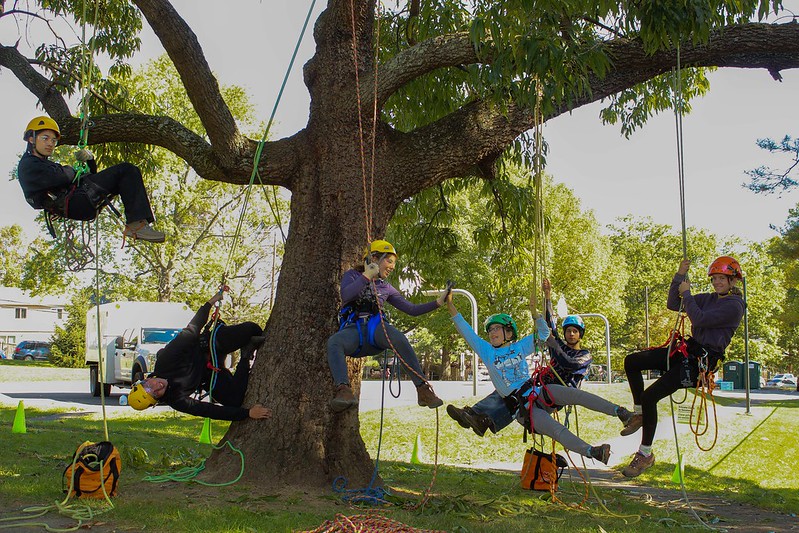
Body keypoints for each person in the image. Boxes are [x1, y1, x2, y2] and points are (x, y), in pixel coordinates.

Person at [445, 280, 633, 465]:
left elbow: (544, 333)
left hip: (538, 390)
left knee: (575, 394)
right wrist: (450, 305)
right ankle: (594, 452)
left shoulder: (520, 347)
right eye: (490, 330)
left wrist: (535, 314)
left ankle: (620, 412)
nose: (492, 332)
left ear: (509, 333)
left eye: (496, 328)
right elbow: (465, 330)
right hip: (522, 408)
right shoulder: (487, 352)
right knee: (556, 430)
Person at [621, 256, 745, 477]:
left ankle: (645, 454)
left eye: (721, 279)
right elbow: (673, 304)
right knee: (632, 361)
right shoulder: (709, 298)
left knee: (651, 396)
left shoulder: (734, 306)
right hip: (685, 351)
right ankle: (639, 414)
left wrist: (687, 293)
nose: (717, 283)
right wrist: (679, 276)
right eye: (714, 278)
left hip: (699, 363)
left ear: (733, 280)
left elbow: (700, 320)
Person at [327, 240, 446, 412]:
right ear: (374, 258)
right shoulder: (353, 276)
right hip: (355, 330)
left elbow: (411, 309)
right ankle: (343, 390)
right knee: (334, 342)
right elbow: (346, 295)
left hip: (377, 330)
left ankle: (422, 389)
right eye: (389, 261)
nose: (392, 267)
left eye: (394, 264)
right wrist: (366, 275)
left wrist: (438, 302)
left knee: (399, 338)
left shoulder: (386, 287)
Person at [127, 290, 271, 421]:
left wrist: (210, 302)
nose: (157, 387)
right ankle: (246, 354)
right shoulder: (175, 399)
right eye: (155, 394)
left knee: (251, 329)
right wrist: (247, 413)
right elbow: (207, 410)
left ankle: (246, 343)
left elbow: (191, 331)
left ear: (145, 380)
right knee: (235, 400)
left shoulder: (166, 360)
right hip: (209, 374)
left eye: (149, 386)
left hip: (209, 346)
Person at [17, 116, 165, 242]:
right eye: (45, 138)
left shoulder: (44, 165)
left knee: (126, 174)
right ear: (31, 139)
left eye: (54, 140)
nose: (50, 143)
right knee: (126, 170)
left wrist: (90, 161)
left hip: (79, 200)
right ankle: (136, 226)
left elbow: (79, 178)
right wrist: (70, 170)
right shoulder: (29, 166)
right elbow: (65, 176)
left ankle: (139, 224)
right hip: (76, 202)